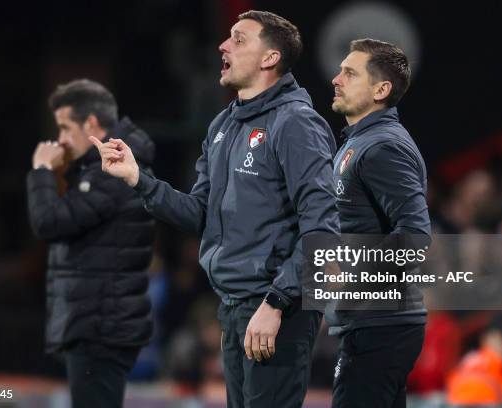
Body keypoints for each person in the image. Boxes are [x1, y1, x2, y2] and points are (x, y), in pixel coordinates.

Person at [90, 10, 340, 407]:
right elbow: (199, 215)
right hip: (235, 308)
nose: (223, 46)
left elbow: (324, 227)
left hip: (276, 308)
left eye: (239, 39)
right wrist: (139, 179)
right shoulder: (223, 126)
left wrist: (276, 303)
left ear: (269, 58)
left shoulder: (295, 124)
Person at [26, 79, 155, 408]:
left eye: (66, 128)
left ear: (92, 124)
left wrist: (41, 170)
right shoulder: (98, 170)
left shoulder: (111, 172)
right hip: (98, 323)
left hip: (100, 326)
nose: (62, 140)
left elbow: (48, 223)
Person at [326, 39, 431, 407]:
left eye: (350, 73)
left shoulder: (382, 147)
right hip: (375, 322)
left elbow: (416, 235)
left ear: (381, 89)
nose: (336, 79)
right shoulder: (362, 142)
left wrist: (349, 271)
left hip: (381, 325)